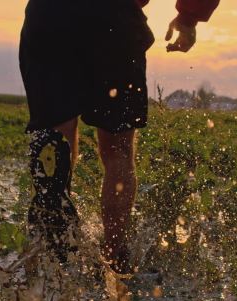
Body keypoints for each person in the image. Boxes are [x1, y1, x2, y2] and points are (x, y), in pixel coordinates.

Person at [20, 0, 220, 274]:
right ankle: (114, 255)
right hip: (114, 20)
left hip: (52, 15)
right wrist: (189, 16)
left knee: (56, 139)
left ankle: (55, 252)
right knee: (118, 150)